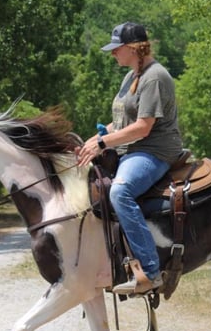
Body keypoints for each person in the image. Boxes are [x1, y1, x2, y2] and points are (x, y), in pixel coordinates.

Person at [76, 22, 184, 295]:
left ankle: (150, 271)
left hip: (154, 150)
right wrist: (93, 140)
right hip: (133, 149)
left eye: (117, 49)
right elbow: (122, 123)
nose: (113, 54)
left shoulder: (155, 77)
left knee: (120, 192)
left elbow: (143, 127)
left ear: (134, 48)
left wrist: (103, 143)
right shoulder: (132, 75)